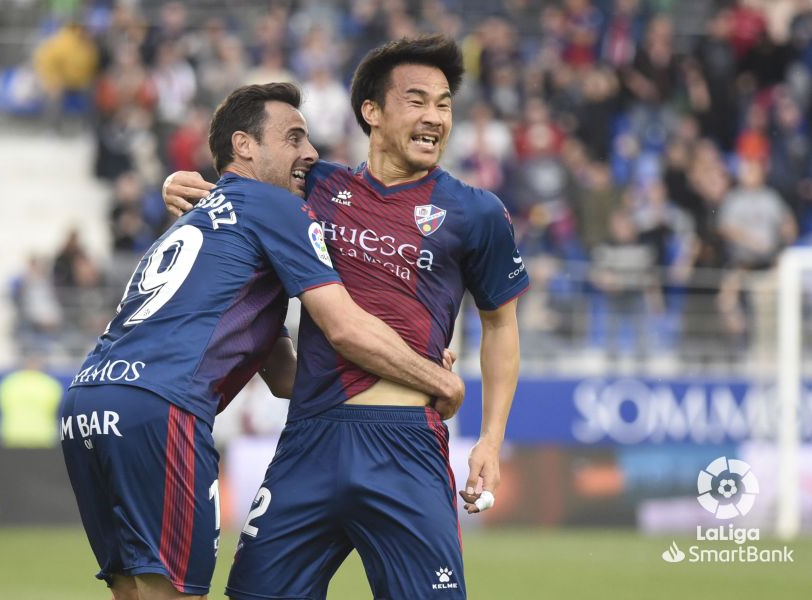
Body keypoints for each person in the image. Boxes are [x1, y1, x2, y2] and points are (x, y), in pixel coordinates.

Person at [61, 82, 464, 600]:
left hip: (88, 399)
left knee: (131, 591)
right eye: (294, 137)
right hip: (160, 406)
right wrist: (436, 378)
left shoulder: (203, 224)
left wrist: (397, 375)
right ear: (245, 146)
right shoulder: (277, 208)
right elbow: (342, 326)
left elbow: (285, 376)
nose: (311, 153)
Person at [164, 35, 529, 600]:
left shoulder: (477, 212)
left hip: (406, 445)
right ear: (372, 112)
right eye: (417, 101)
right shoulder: (316, 186)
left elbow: (502, 326)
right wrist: (180, 184)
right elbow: (235, 194)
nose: (435, 117)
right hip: (310, 437)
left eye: (444, 104)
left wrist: (490, 440)